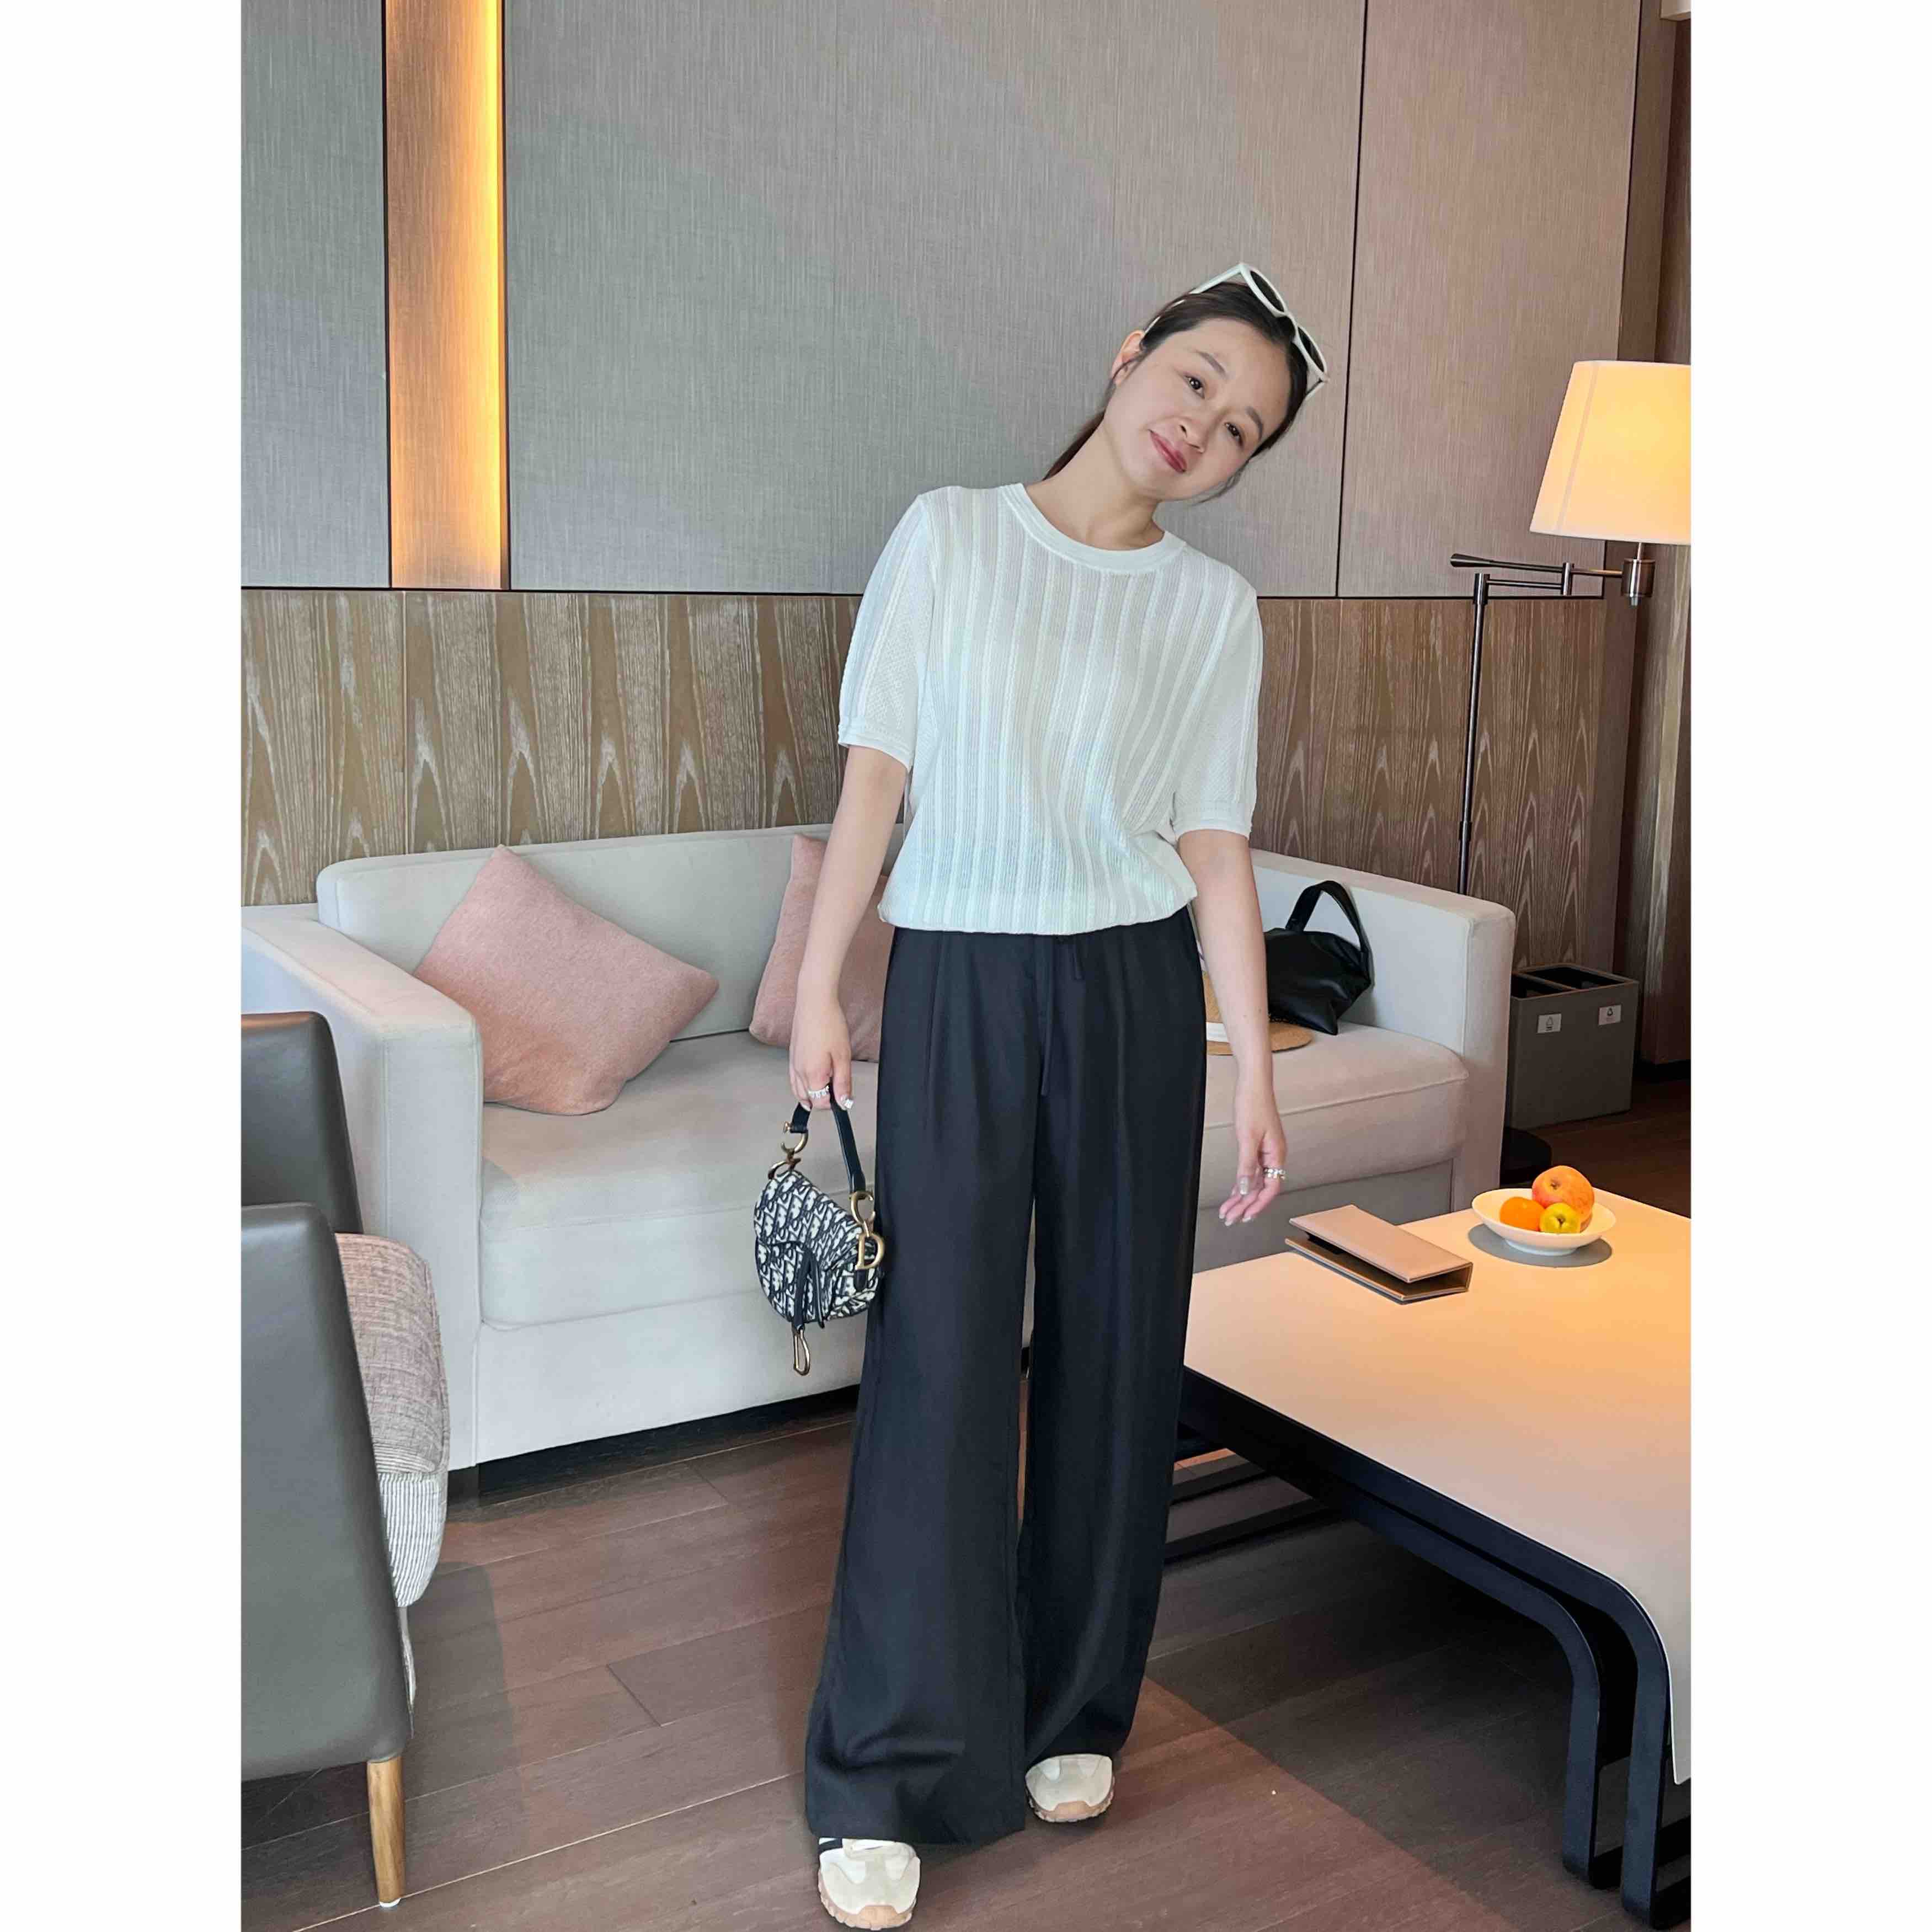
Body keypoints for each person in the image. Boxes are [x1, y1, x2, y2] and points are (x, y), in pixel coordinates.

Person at [790, 264, 1326, 1929]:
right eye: (1198, 381)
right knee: (940, 1361)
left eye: (1243, 431)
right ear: (1130, 355)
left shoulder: (1213, 611)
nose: (1204, 429)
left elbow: (1214, 844)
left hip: (1133, 991)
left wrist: (1252, 1065)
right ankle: (890, 1766)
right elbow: (876, 778)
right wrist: (820, 988)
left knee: (1116, 1353)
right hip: (959, 976)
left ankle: (1075, 1707)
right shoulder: (949, 537)